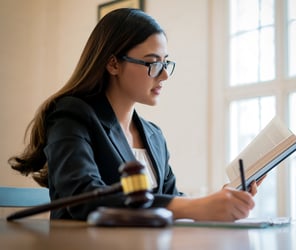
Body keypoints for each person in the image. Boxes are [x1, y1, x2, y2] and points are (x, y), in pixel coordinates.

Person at [8, 8, 260, 221]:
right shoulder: (70, 116)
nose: (164, 75)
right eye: (153, 63)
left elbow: (171, 200)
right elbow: (82, 198)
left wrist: (222, 199)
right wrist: (195, 207)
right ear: (113, 63)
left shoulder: (153, 135)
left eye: (165, 62)